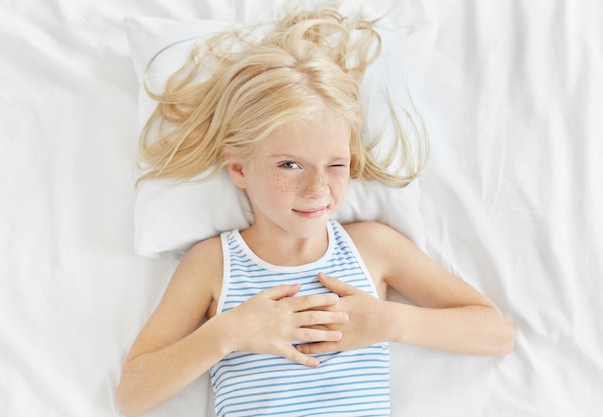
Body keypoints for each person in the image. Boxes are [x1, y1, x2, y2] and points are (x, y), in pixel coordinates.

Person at [117, 5, 515, 417]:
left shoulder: (371, 247)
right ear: (239, 169)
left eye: (335, 165)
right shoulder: (213, 264)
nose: (318, 189)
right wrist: (228, 333)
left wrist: (392, 322)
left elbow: (496, 333)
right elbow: (132, 395)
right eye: (290, 165)